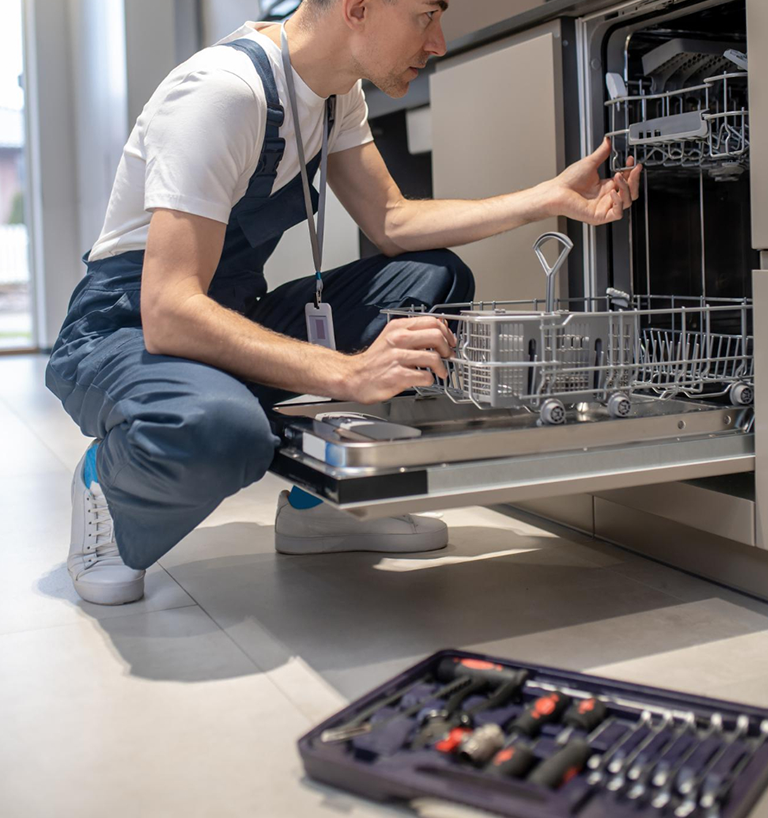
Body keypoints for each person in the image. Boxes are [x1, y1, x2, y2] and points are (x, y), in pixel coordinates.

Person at [46, 0, 642, 606]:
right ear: (358, 8)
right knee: (221, 431)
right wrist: (349, 372)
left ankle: (318, 509)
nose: (437, 42)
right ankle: (107, 487)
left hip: (226, 314)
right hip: (125, 329)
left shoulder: (334, 95)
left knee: (431, 282)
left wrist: (547, 198)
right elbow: (170, 310)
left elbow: (392, 221)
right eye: (425, 17)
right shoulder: (222, 93)